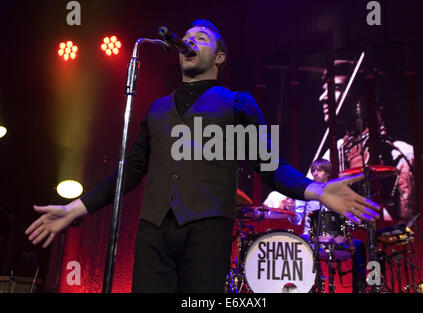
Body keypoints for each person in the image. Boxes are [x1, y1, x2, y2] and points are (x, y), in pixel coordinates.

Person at [25, 20, 380, 293]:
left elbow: (269, 167)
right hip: (153, 234)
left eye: (201, 39)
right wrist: (75, 208)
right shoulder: (157, 109)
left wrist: (317, 191)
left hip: (207, 232)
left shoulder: (239, 103)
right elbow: (130, 173)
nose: (189, 41)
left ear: (220, 57)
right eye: (187, 38)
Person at [316, 59, 423, 222]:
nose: (322, 98)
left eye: (335, 88)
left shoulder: (404, 157)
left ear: (367, 97)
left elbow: (407, 228)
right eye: (324, 90)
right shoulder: (333, 153)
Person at [264, 158, 367, 293]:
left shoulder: (338, 192)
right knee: (297, 242)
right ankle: (306, 287)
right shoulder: (305, 192)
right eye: (313, 171)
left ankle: (360, 289)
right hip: (311, 237)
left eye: (319, 170)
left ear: (328, 172)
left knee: (359, 245)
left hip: (336, 238)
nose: (315, 173)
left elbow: (346, 217)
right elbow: (297, 219)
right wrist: (291, 211)